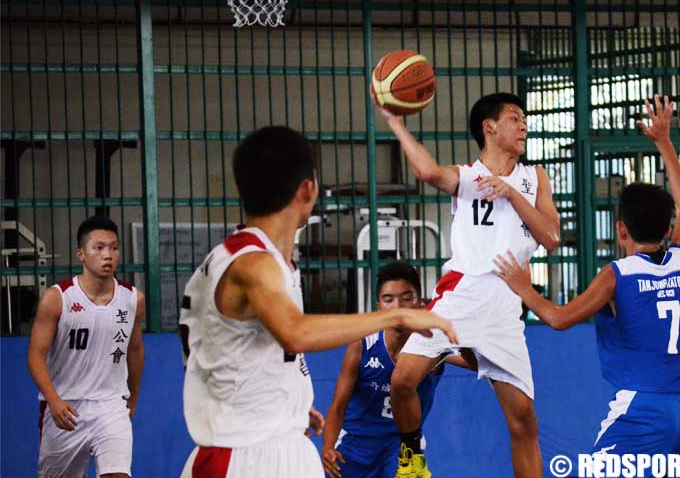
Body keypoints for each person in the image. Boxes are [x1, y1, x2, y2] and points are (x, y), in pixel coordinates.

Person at [178, 126, 458, 478]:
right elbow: (295, 333)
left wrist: (289, 402)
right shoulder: (254, 263)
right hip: (247, 455)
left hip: (269, 441)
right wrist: (395, 316)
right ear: (308, 189)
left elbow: (247, 347)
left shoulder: (257, 258)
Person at [494, 95, 680, 455]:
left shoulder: (618, 275)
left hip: (642, 408)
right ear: (667, 228)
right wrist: (664, 141)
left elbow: (559, 319)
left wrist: (522, 287)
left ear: (621, 229)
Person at [372, 91, 560, 478]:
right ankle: (412, 458)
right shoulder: (470, 176)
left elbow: (552, 236)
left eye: (524, 118)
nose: (523, 125)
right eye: (514, 117)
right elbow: (428, 173)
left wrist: (511, 194)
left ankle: (453, 356)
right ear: (489, 127)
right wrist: (394, 121)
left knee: (523, 421)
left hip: (506, 306)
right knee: (402, 380)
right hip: (461, 294)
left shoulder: (534, 176)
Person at [321, 262, 476, 478]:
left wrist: (466, 334)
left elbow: (480, 365)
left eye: (406, 298)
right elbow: (339, 403)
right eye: (388, 299)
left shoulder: (433, 346)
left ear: (421, 305)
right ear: (378, 307)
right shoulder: (363, 344)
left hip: (402, 444)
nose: (398, 307)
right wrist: (328, 446)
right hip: (356, 444)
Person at [27, 216, 146, 478]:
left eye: (114, 248)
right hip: (66, 408)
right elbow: (36, 355)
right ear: (81, 254)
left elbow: (134, 349)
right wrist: (54, 400)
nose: (108, 255)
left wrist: (133, 397)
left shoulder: (132, 299)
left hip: (111, 405)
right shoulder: (57, 298)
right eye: (99, 247)